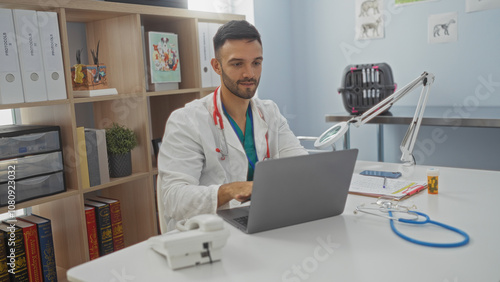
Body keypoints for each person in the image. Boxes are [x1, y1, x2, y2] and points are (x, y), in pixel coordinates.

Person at [157, 20, 307, 232]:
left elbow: (301, 166)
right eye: (238, 64)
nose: (250, 74)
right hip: (208, 233)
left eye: (256, 63)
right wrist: (229, 191)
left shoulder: (269, 113)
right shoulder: (186, 121)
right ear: (217, 66)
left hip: (262, 224)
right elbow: (174, 198)